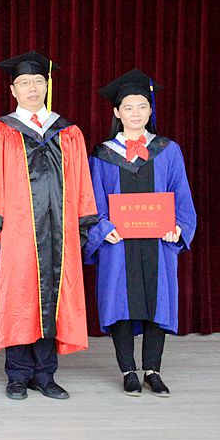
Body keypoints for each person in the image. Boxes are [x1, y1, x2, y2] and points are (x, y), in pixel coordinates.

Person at [0, 51, 97, 400]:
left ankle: (45, 374)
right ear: (13, 90)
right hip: (17, 232)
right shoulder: (2, 131)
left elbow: (81, 183)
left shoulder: (68, 132)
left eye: (38, 81)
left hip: (59, 233)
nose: (32, 88)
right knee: (19, 299)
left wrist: (79, 227)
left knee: (53, 298)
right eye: (25, 83)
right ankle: (17, 374)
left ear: (47, 86)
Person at [84, 68, 196, 397]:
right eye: (129, 107)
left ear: (150, 111)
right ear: (117, 112)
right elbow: (93, 199)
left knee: (156, 303)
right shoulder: (103, 154)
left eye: (142, 106)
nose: (136, 113)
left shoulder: (168, 150)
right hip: (118, 244)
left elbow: (181, 195)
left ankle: (153, 371)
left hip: (158, 243)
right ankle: (128, 371)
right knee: (119, 302)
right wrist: (103, 228)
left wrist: (178, 227)